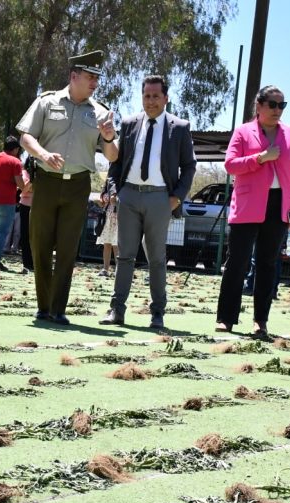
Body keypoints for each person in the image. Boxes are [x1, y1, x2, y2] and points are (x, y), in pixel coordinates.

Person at [16, 50, 119, 325]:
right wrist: (42, 154)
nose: (95, 82)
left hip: (78, 186)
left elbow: (112, 155)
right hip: (46, 182)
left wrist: (108, 138)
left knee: (67, 247)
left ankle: (58, 309)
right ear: (74, 76)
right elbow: (25, 136)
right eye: (89, 76)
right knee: (40, 244)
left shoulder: (100, 112)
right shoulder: (47, 102)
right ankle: (43, 305)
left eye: (97, 77)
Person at [99, 75, 195, 330]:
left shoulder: (180, 127)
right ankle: (116, 310)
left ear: (166, 98)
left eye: (155, 96)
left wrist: (176, 198)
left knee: (157, 259)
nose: (150, 101)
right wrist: (113, 189)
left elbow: (189, 166)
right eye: (146, 96)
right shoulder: (129, 123)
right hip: (129, 196)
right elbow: (115, 162)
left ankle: (157, 314)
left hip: (160, 198)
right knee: (125, 256)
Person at [215, 85, 290, 337]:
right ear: (259, 105)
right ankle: (226, 318)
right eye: (273, 104)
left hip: (279, 205)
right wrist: (260, 158)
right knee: (237, 262)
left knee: (268, 263)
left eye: (282, 105)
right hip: (247, 205)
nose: (278, 110)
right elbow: (230, 165)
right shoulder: (243, 132)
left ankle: (260, 321)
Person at [0, 136, 25, 271]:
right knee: (3, 232)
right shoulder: (16, 162)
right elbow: (20, 183)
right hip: (7, 201)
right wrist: (24, 186)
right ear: (16, 149)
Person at [95, 186, 119, 277]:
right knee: (106, 244)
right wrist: (98, 201)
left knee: (116, 244)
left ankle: (118, 270)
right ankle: (105, 269)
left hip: (118, 218)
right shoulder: (107, 186)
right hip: (106, 219)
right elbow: (102, 203)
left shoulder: (120, 185)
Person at [18, 159, 35, 272]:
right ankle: (26, 263)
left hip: (38, 207)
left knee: (36, 236)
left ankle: (35, 263)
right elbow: (24, 189)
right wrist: (32, 181)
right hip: (25, 207)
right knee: (25, 236)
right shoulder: (24, 173)